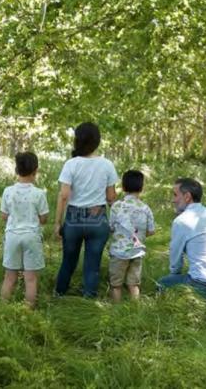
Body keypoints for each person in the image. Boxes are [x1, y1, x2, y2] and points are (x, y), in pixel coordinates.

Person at [54, 122, 118, 298]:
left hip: (73, 219)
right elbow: (111, 197)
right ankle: (89, 296)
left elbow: (64, 195)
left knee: (68, 260)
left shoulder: (71, 164)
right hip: (97, 219)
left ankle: (59, 293)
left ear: (77, 141)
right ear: (98, 141)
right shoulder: (107, 165)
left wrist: (57, 223)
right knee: (93, 263)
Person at [157, 177, 206, 304]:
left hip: (205, 287)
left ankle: (168, 310)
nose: (173, 200)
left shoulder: (182, 221)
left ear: (187, 196)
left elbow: (175, 256)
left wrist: (174, 274)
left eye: (175, 195)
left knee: (162, 283)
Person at [0, 152, 49, 308]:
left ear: (16, 170)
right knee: (31, 278)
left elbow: (3, 215)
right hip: (32, 237)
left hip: (12, 236)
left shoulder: (8, 191)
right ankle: (28, 310)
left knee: (9, 277)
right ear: (36, 171)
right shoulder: (39, 194)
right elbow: (44, 218)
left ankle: (3, 308)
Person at [108, 169, 155, 302]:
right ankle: (135, 310)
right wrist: (139, 234)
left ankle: (116, 311)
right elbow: (151, 231)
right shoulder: (146, 208)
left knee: (115, 285)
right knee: (133, 284)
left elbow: (111, 227)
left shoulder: (117, 206)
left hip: (119, 252)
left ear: (123, 187)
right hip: (137, 251)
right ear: (142, 187)